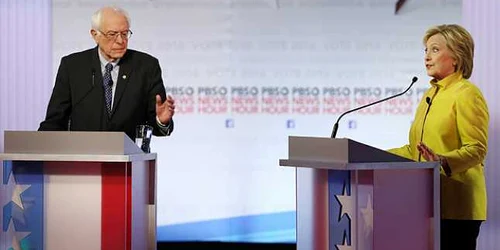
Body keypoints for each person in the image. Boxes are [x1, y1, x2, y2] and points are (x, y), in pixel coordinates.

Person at [388, 24, 489, 250]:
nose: (426, 57)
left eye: (434, 50)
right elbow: (415, 149)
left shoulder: (466, 93)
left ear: (456, 56)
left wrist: (442, 160)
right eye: (425, 50)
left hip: (456, 207)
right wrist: (368, 154)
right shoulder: (430, 95)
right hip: (427, 202)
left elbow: (477, 149)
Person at [39, 6, 175, 140]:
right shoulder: (72, 66)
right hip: (83, 157)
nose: (121, 41)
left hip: (129, 158)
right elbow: (55, 121)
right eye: (112, 34)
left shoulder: (146, 66)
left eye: (124, 33)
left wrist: (161, 121)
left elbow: (156, 127)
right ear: (95, 35)